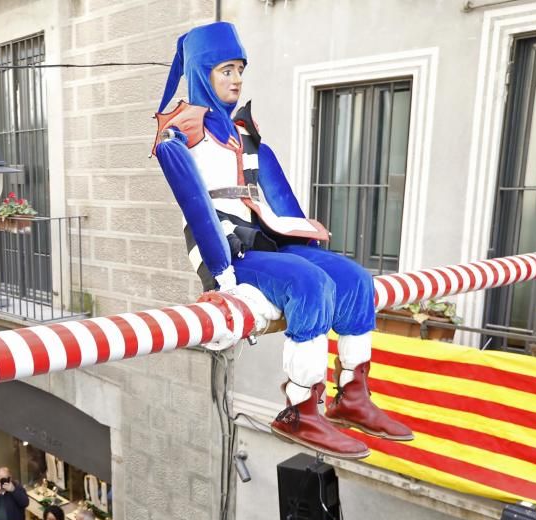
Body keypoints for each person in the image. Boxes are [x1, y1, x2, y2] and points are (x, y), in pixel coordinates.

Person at [153, 22, 411, 458]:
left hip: (269, 239)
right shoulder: (180, 137)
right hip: (231, 250)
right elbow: (199, 212)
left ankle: (351, 394)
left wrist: (314, 251)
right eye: (226, 70)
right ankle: (299, 408)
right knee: (308, 284)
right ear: (201, 71)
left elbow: (282, 205)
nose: (236, 79)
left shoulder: (245, 135)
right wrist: (222, 277)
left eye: (240, 70)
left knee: (353, 279)